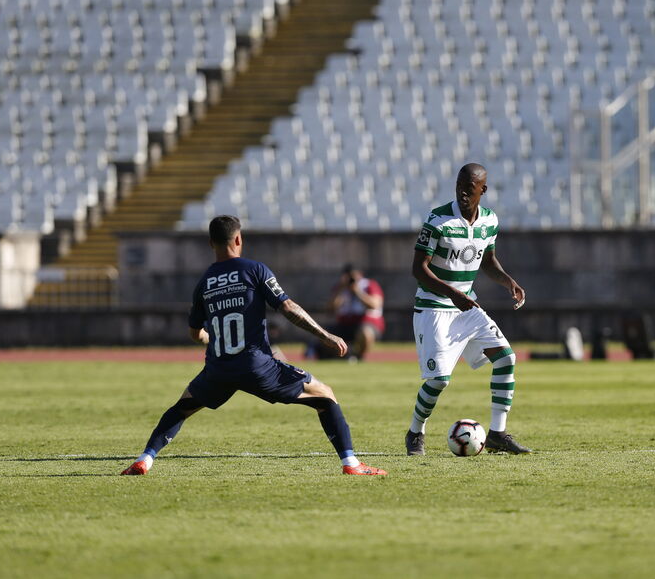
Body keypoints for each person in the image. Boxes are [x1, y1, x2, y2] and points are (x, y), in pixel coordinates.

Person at [120, 215, 387, 476]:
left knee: (182, 408)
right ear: (238, 239)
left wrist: (212, 339)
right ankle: (351, 463)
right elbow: (288, 308)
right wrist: (325, 335)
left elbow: (195, 333)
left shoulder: (204, 283)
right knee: (325, 396)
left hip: (219, 368)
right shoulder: (254, 270)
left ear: (211, 243)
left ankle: (145, 459)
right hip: (257, 365)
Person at [405, 163, 531, 456]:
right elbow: (418, 270)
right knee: (439, 380)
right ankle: (415, 433)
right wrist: (453, 294)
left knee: (506, 359)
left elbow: (488, 260)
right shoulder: (438, 220)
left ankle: (498, 434)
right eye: (460, 185)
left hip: (466, 307)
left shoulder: (489, 221)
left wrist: (507, 281)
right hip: (434, 308)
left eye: (470, 186)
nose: (463, 191)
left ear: (482, 190)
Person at [323, 264, 384, 361]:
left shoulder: (369, 285)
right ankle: (343, 356)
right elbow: (330, 309)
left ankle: (359, 357)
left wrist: (357, 291)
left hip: (366, 323)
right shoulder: (340, 288)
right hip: (344, 324)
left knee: (365, 333)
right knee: (323, 334)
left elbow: (374, 305)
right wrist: (341, 289)